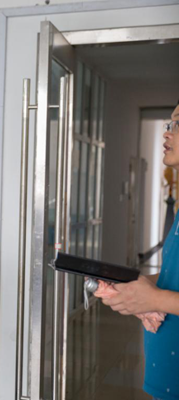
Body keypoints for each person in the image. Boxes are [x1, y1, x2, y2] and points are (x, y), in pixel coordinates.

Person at [103, 103, 179, 400]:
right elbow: (173, 277)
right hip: (167, 378)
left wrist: (155, 299)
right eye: (169, 124)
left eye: (177, 124)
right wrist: (138, 286)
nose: (167, 132)